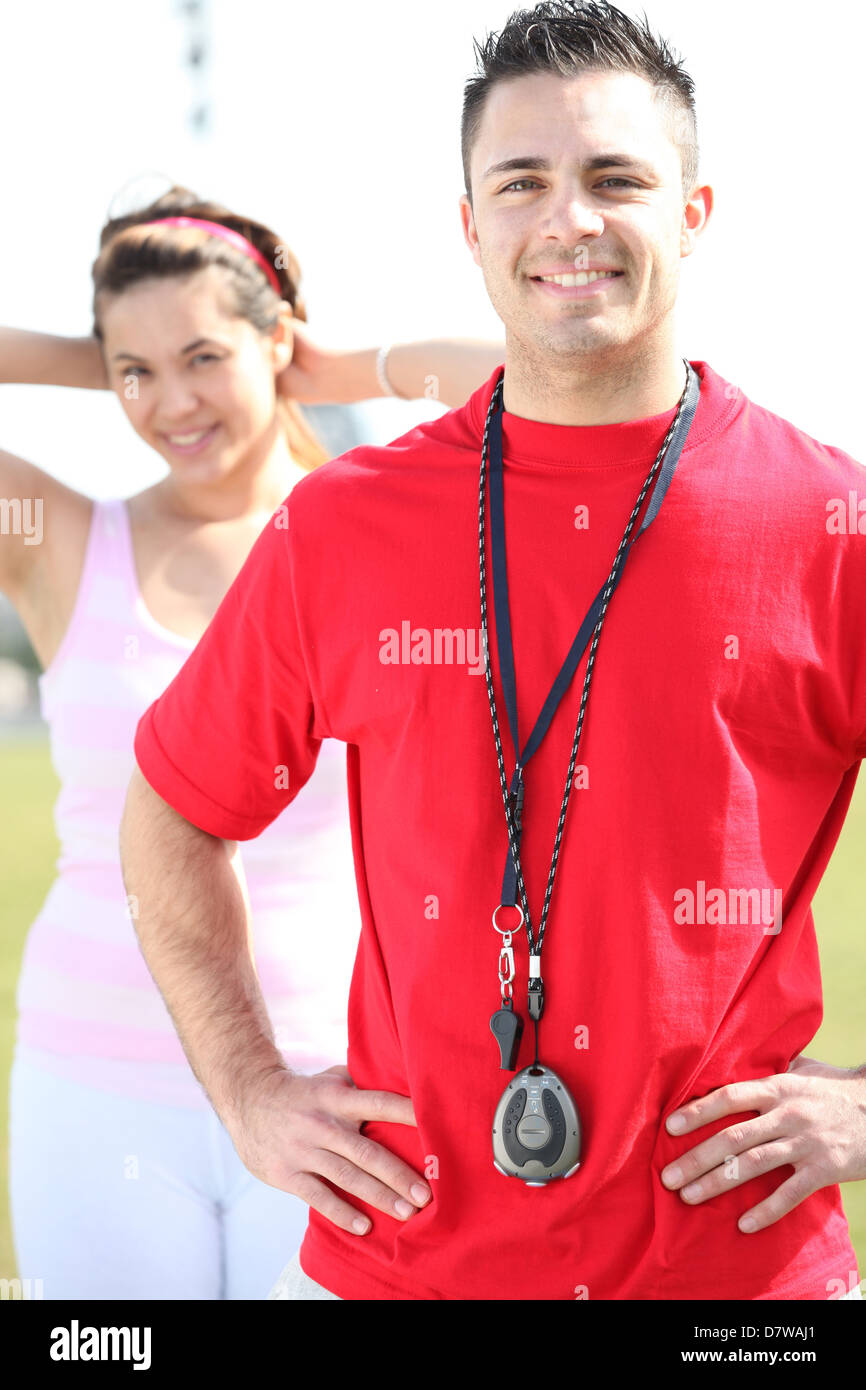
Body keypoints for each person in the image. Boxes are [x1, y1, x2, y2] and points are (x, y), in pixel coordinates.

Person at [120, 1, 866, 1302]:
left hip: (736, 1282)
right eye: (520, 183)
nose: (566, 220)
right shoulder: (342, 526)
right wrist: (248, 1093)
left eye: (616, 179)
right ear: (471, 227)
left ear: (692, 213)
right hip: (410, 1267)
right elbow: (173, 812)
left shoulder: (825, 519)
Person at [0, 185, 501, 1300]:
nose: (169, 401)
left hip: (339, 1088)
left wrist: (328, 366)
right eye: (135, 373)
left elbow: (553, 374)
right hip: (94, 1084)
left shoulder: (378, 525)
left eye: (201, 358)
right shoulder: (67, 541)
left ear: (276, 341)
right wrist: (99, 354)